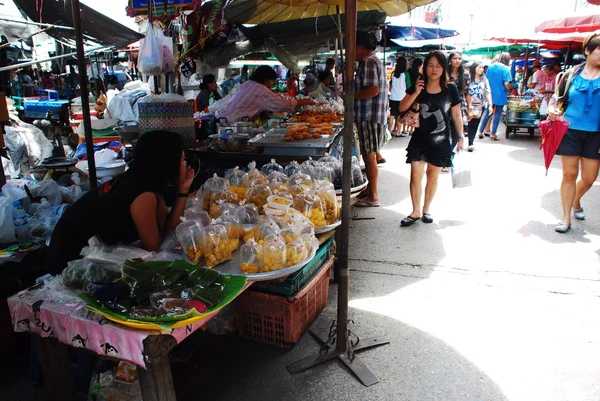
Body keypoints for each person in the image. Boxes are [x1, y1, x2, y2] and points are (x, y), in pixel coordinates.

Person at [45, 131, 195, 274]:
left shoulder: (146, 183)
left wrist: (183, 189)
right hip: (69, 262)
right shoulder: (141, 192)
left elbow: (167, 227)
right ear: (167, 163)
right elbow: (153, 246)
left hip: (84, 252)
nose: (185, 164)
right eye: (182, 160)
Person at [399, 51, 464, 227]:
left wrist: (461, 136)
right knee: (415, 176)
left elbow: (456, 115)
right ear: (424, 67)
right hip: (419, 139)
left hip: (441, 140)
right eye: (430, 65)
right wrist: (415, 92)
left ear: (444, 68)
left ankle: (426, 209)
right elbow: (402, 107)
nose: (434, 69)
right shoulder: (418, 84)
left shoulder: (450, 89)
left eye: (438, 66)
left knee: (432, 177)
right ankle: (415, 211)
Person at [548, 32, 600, 234]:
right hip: (569, 130)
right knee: (569, 174)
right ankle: (566, 217)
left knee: (589, 178)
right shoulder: (570, 75)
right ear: (588, 51)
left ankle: (576, 200)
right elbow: (557, 99)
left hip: (595, 134)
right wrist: (552, 109)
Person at [353, 31, 388, 208]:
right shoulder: (370, 61)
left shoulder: (368, 62)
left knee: (369, 155)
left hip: (370, 115)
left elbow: (372, 90)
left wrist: (352, 96)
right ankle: (370, 190)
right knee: (369, 154)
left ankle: (373, 196)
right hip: (372, 115)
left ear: (359, 47)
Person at [215, 65, 313, 123]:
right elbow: (281, 105)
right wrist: (304, 101)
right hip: (228, 123)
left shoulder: (248, 84)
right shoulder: (260, 89)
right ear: (266, 79)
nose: (272, 85)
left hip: (219, 119)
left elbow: (252, 105)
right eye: (272, 81)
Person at [447, 52, 471, 171]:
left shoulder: (465, 74)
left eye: (459, 58)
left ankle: (450, 157)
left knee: (457, 134)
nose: (457, 60)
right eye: (455, 58)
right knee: (445, 133)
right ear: (450, 60)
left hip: (459, 106)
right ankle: (445, 159)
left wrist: (470, 108)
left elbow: (467, 92)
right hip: (445, 105)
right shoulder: (445, 72)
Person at [485, 52, 513, 141]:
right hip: (500, 94)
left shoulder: (491, 67)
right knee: (497, 114)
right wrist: (509, 89)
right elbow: (507, 83)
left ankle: (483, 130)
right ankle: (493, 134)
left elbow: (486, 80)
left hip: (490, 93)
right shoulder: (505, 69)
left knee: (488, 113)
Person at [467, 62, 493, 151]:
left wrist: (490, 104)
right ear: (474, 68)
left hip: (479, 105)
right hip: (468, 103)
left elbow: (487, 92)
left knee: (475, 123)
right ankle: (468, 141)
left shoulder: (484, 79)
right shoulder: (468, 78)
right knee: (469, 122)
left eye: (482, 68)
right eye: (479, 67)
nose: (481, 69)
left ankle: (471, 141)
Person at [389, 56, 408, 137]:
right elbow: (408, 85)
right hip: (402, 97)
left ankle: (389, 132)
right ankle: (398, 132)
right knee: (400, 115)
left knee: (392, 115)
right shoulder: (405, 74)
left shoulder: (393, 74)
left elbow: (391, 84)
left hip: (393, 97)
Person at [404, 58, 424, 136]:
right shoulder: (420, 75)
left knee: (408, 111)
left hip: (409, 93)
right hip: (416, 95)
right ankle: (412, 129)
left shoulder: (408, 72)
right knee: (415, 111)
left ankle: (405, 129)